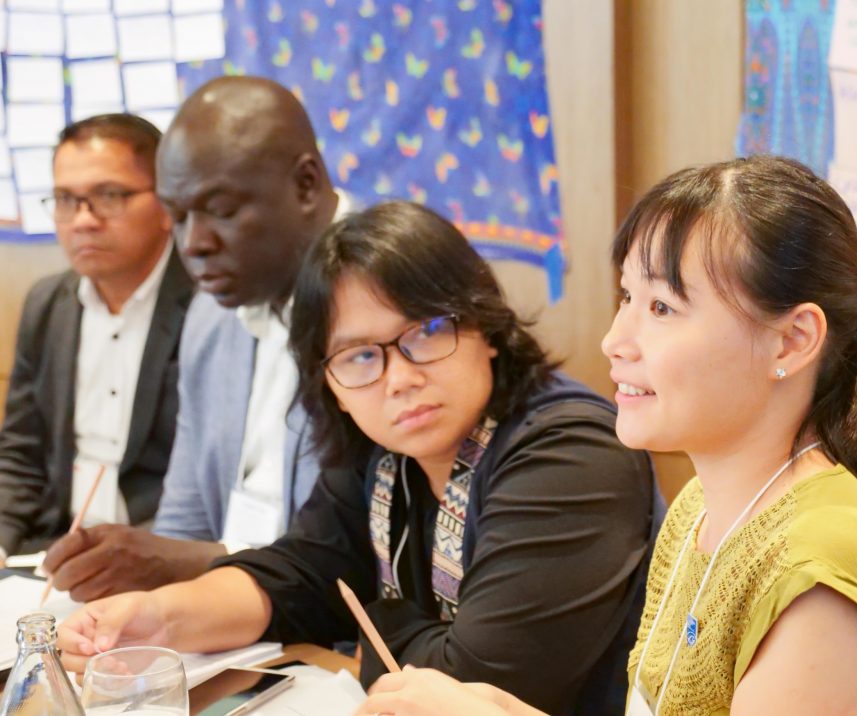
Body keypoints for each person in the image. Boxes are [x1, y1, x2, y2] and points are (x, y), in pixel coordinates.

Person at [353, 156, 857, 715]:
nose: (615, 340)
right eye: (627, 296)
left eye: (662, 307)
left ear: (791, 341)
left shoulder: (820, 587)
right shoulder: (700, 509)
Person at [58, 200, 658, 716]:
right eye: (360, 357)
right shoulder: (383, 451)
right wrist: (155, 620)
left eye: (425, 331)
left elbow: (478, 687)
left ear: (486, 327)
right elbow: (304, 573)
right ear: (333, 387)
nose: (398, 379)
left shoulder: (572, 452)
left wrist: (376, 622)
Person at [41, 76, 354, 601]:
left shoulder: (385, 305)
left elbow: (364, 558)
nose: (195, 245)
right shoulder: (211, 312)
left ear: (305, 186)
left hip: (345, 640)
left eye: (222, 211)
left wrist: (186, 563)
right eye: (179, 217)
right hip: (227, 616)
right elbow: (183, 519)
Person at [0, 114, 192, 566]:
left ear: (167, 204)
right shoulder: (48, 303)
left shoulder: (211, 306)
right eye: (66, 199)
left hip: (162, 557)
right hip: (50, 552)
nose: (82, 220)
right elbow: (21, 452)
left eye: (108, 196)